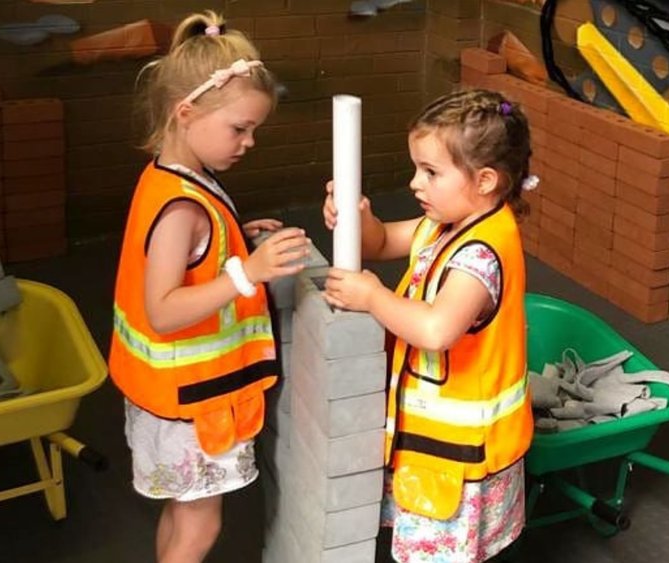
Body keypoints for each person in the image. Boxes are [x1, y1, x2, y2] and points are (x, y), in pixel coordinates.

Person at [107, 10, 309, 563]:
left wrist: (236, 243)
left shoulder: (171, 177)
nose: (248, 142)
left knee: (182, 514)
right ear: (186, 111)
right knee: (199, 527)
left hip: (165, 397)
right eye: (239, 128)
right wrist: (249, 272)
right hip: (190, 403)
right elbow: (164, 310)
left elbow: (186, 261)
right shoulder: (180, 209)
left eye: (254, 130)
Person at [322, 88, 538, 562]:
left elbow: (438, 329)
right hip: (433, 451)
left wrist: (372, 296)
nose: (415, 183)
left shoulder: (481, 254)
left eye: (431, 172)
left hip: (463, 462)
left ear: (484, 180)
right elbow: (380, 244)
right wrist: (358, 219)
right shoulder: (445, 223)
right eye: (417, 168)